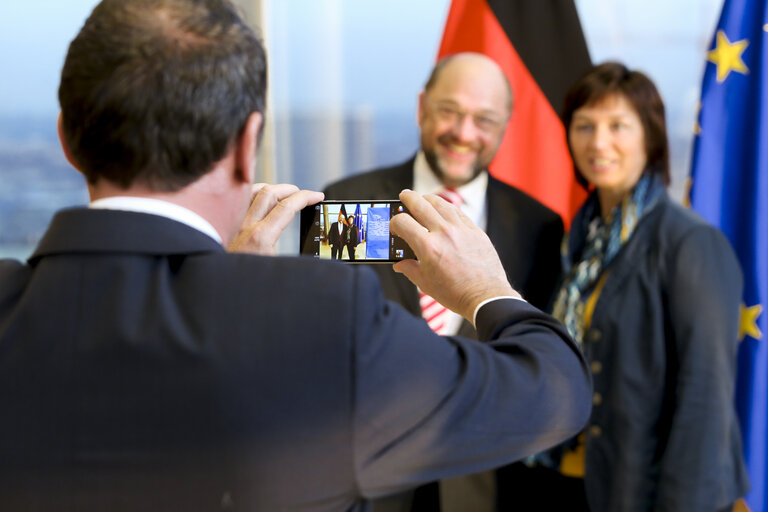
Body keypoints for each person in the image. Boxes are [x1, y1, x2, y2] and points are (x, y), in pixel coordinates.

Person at [0, 1, 593, 511]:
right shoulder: (317, 321)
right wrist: (486, 289)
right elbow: (554, 389)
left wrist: (232, 279)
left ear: (67, 140)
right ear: (246, 146)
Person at [500, 61, 749, 512]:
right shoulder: (578, 237)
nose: (599, 142)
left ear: (650, 137)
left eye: (619, 126)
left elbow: (705, 396)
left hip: (647, 491)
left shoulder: (690, 242)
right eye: (584, 126)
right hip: (565, 480)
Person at [324, 52, 564, 511]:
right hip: (367, 482)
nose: (464, 132)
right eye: (450, 111)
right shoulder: (351, 205)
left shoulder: (538, 227)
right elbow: (322, 344)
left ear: (505, 127)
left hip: (485, 485)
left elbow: (530, 356)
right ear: (421, 108)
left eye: (484, 119)